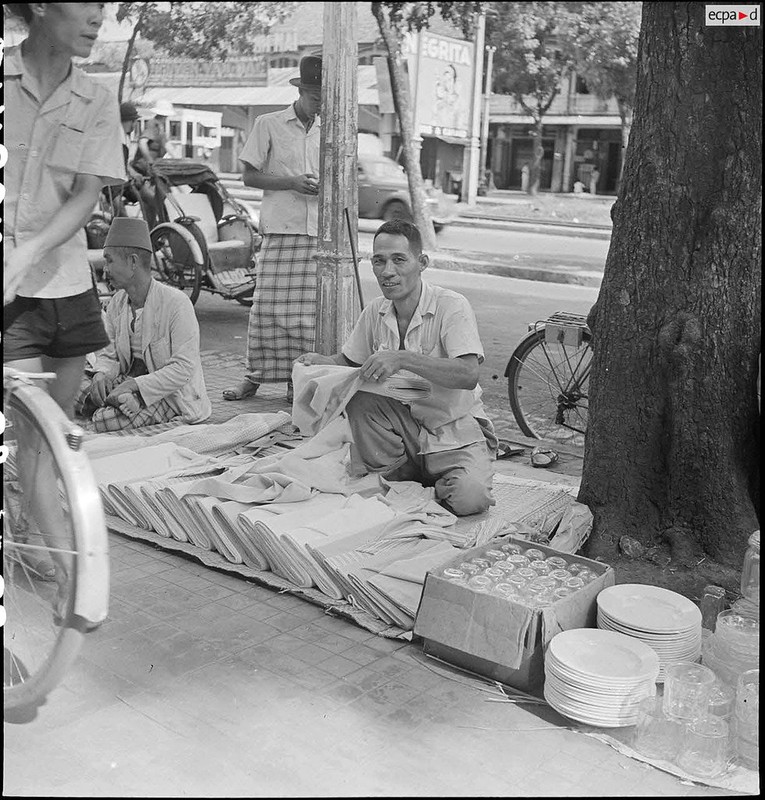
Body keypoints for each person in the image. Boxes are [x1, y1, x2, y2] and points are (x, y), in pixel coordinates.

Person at [3, 2, 126, 584]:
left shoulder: (95, 99)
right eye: (87, 4)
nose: (99, 17)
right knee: (32, 431)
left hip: (69, 290)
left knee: (56, 438)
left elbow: (86, 196)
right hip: (13, 302)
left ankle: (30, 531)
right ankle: (71, 573)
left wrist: (28, 249)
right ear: (41, 6)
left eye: (105, 7)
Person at [296, 220, 497, 517]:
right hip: (401, 432)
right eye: (379, 261)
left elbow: (468, 375)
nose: (387, 271)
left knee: (471, 500)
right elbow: (350, 363)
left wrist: (402, 358)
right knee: (360, 397)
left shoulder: (451, 306)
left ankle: (418, 484)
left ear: (422, 262)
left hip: (452, 430)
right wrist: (321, 362)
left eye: (399, 260)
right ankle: (404, 478)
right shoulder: (375, 311)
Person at [222, 55, 322, 403]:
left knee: (307, 318)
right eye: (314, 97)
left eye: (324, 98)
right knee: (267, 310)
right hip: (281, 229)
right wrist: (292, 182)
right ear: (301, 91)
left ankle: (298, 380)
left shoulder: (331, 129)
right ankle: (254, 377)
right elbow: (249, 175)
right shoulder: (269, 123)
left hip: (317, 233)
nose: (319, 105)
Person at [75, 218, 212, 433]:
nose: (105, 271)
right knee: (72, 385)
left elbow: (183, 369)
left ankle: (115, 403)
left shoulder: (176, 303)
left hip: (169, 395)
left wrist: (134, 387)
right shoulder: (117, 303)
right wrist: (102, 375)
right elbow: (109, 356)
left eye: (109, 261)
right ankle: (116, 401)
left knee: (104, 420)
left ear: (133, 262)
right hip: (126, 382)